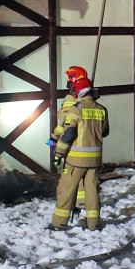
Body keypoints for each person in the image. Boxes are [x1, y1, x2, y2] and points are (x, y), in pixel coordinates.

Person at [50, 76, 109, 230]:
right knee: (92, 191)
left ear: (78, 91)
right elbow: (105, 132)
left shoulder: (76, 109)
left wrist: (58, 154)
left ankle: (58, 223)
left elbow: (68, 135)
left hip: (75, 161)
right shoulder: (102, 110)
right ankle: (93, 224)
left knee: (66, 190)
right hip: (95, 161)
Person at [49, 65, 89, 210]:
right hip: (82, 142)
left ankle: (75, 202)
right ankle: (81, 202)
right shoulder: (83, 98)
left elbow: (67, 123)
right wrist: (54, 136)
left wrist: (56, 138)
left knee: (73, 175)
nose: (67, 80)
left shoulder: (71, 98)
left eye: (69, 77)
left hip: (72, 143)